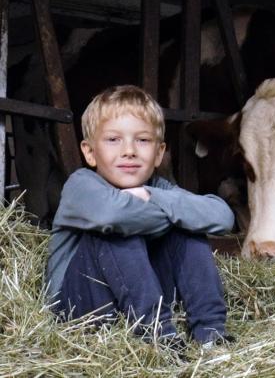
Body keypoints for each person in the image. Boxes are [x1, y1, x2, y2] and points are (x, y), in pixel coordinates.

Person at [46, 85, 235, 351]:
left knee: (187, 231)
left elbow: (223, 217)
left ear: (159, 153)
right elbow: (111, 214)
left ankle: (211, 333)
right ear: (89, 152)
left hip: (134, 300)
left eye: (143, 140)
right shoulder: (81, 185)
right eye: (113, 139)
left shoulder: (158, 187)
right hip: (79, 309)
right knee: (120, 229)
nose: (129, 151)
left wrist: (150, 195)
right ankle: (161, 340)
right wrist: (172, 214)